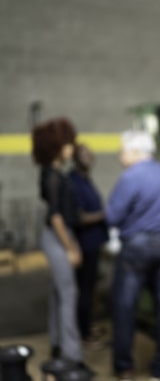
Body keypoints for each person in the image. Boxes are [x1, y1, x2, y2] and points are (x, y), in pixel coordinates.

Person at [105, 130, 160, 381]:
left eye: (124, 151)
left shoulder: (130, 177)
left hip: (135, 247)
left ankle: (124, 367)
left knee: (125, 306)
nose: (120, 156)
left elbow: (113, 217)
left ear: (137, 152)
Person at [31, 118, 89, 369]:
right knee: (68, 293)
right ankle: (72, 356)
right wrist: (72, 248)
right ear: (56, 146)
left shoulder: (53, 173)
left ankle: (58, 343)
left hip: (59, 234)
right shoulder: (51, 175)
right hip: (58, 236)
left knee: (58, 292)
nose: (70, 148)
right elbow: (56, 217)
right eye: (67, 143)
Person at [69, 143, 109, 346]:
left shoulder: (85, 179)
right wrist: (104, 214)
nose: (89, 156)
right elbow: (78, 217)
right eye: (84, 154)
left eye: (89, 153)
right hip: (85, 244)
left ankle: (86, 326)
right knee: (84, 289)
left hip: (94, 242)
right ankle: (84, 334)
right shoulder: (74, 182)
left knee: (91, 288)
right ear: (76, 158)